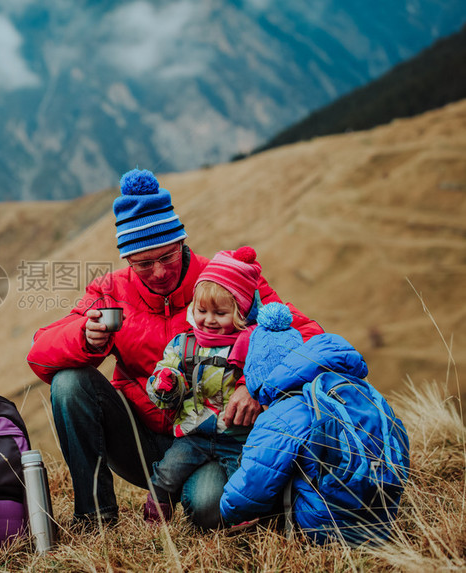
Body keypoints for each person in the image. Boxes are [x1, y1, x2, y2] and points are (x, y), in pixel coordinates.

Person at [26, 168, 323, 529]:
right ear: (127, 261)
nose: (160, 272)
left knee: (209, 509)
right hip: (141, 437)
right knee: (69, 382)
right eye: (144, 264)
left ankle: (197, 493)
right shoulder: (111, 291)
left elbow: (305, 335)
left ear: (182, 242)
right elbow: (40, 354)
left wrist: (254, 384)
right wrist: (83, 337)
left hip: (214, 436)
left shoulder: (226, 279)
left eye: (167, 256)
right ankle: (95, 518)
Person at [220, 302, 410, 545]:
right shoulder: (354, 389)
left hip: (326, 526)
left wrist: (223, 512)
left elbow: (249, 490)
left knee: (274, 479)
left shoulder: (283, 412)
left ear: (262, 379)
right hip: (381, 520)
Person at [143, 246, 261, 524]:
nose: (208, 320)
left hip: (237, 436)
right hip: (194, 432)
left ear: (240, 311)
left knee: (243, 475)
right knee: (168, 470)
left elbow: (267, 374)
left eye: (220, 313)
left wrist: (250, 385)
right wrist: (166, 383)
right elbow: (168, 367)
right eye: (202, 310)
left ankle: (241, 517)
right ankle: (157, 509)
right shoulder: (184, 344)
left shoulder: (252, 344)